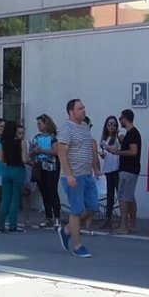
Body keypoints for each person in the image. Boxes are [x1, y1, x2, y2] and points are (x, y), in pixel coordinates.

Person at [56, 99, 101, 257]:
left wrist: (95, 168)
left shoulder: (85, 127)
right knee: (76, 210)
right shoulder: (66, 129)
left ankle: (67, 230)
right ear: (71, 112)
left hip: (87, 174)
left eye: (83, 107)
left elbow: (87, 148)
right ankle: (77, 246)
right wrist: (69, 175)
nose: (83, 110)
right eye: (80, 108)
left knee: (93, 207)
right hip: (73, 176)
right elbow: (61, 153)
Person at [107, 109, 142, 235]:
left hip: (128, 170)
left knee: (123, 197)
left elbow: (133, 151)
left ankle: (124, 226)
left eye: (120, 118)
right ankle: (132, 224)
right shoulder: (131, 133)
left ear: (125, 118)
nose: (119, 121)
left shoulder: (132, 133)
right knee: (129, 197)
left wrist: (117, 151)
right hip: (131, 169)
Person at [0, 121, 30, 232]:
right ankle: (12, 225)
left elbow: (1, 159)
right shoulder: (21, 143)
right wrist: (32, 162)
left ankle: (0, 225)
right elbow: (24, 159)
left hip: (6, 170)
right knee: (15, 199)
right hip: (18, 170)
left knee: (5, 198)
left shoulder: (3, 143)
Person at [32, 115, 62, 228]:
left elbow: (55, 151)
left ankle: (57, 217)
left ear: (46, 124)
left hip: (52, 167)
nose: (38, 126)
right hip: (40, 167)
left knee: (52, 191)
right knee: (44, 192)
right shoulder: (36, 137)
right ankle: (48, 217)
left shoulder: (53, 138)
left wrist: (41, 150)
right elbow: (32, 151)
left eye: (40, 124)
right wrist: (33, 152)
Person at [98, 115, 122, 229]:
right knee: (110, 195)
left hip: (117, 168)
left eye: (114, 124)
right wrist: (102, 155)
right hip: (108, 168)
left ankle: (124, 219)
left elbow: (123, 149)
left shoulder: (119, 136)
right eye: (109, 124)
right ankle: (108, 218)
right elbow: (105, 153)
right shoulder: (105, 138)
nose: (111, 126)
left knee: (120, 194)